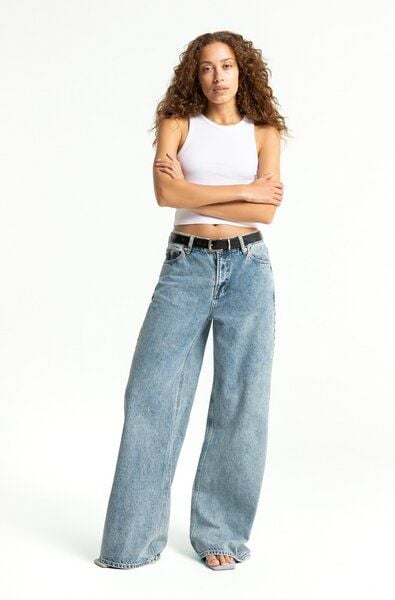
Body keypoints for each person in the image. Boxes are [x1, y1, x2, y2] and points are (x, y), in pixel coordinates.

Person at [94, 30, 288, 571]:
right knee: (150, 394)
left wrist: (208, 195)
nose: (217, 76)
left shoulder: (264, 131)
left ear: (242, 71)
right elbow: (166, 195)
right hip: (185, 265)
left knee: (241, 403)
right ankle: (131, 543)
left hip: (248, 268)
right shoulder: (177, 122)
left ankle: (220, 534)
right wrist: (244, 190)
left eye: (226, 65)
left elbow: (266, 212)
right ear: (195, 75)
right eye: (206, 67)